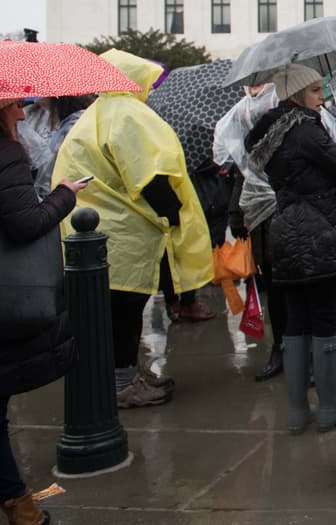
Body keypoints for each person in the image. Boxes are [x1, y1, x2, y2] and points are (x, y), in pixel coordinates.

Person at [52, 49, 214, 410]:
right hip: (123, 233)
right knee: (126, 311)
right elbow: (149, 175)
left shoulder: (97, 114)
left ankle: (123, 374)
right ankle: (123, 383)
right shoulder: (126, 114)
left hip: (96, 232)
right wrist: (172, 215)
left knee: (114, 311)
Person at [245, 64, 336, 433]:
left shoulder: (272, 131)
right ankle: (327, 408)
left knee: (295, 323)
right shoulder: (305, 131)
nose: (321, 97)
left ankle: (297, 413)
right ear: (295, 95)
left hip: (284, 233)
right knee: (324, 321)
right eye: (313, 91)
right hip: (317, 233)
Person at [0, 99, 87, 525]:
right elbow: (24, 224)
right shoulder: (6, 154)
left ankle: (17, 500)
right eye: (12, 105)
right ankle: (19, 503)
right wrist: (64, 196)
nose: (20, 114)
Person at [215, 84, 288, 381]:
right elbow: (240, 179)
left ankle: (297, 353)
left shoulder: (293, 128)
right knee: (274, 292)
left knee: (293, 291)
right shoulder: (244, 140)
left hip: (289, 221)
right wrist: (237, 218)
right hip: (261, 227)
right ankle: (280, 348)